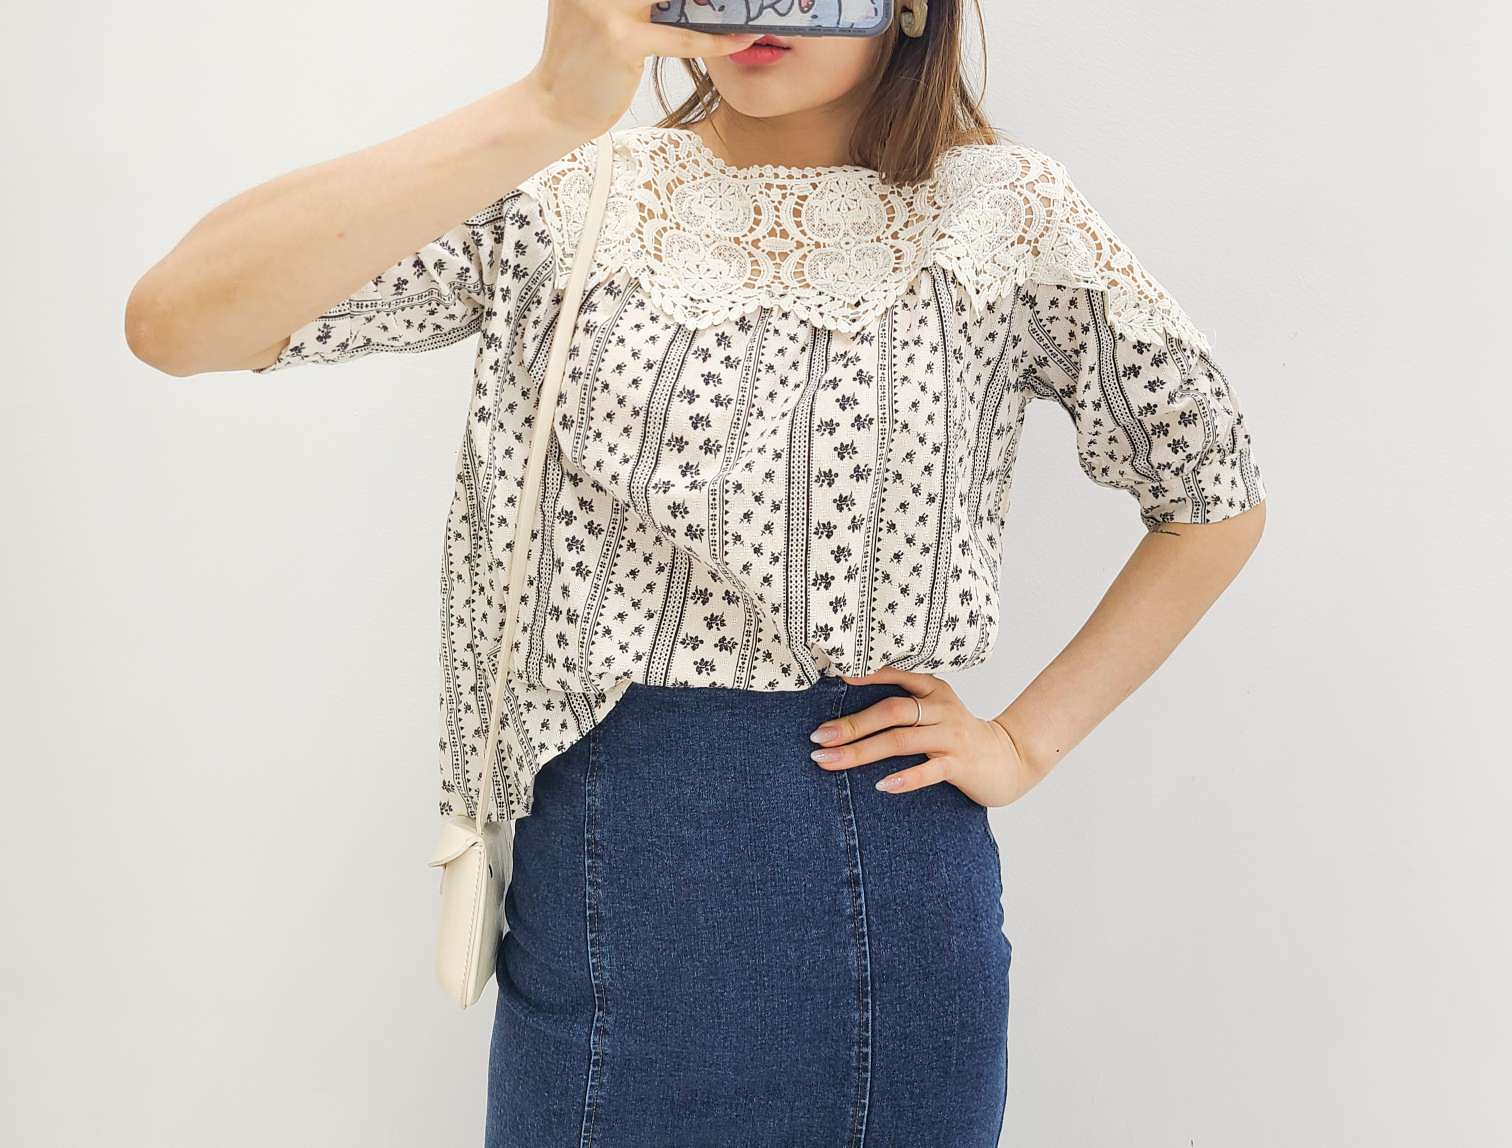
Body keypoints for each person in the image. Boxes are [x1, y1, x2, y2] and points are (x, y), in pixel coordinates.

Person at [125, 1, 1268, 1142]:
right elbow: (174, 321)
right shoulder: (569, 191)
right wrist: (543, 106)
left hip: (887, 895)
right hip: (601, 882)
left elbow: (1215, 493)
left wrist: (1024, 740)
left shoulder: (1002, 214)